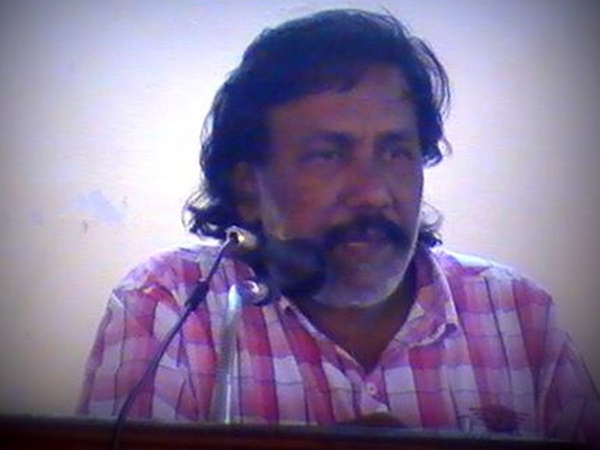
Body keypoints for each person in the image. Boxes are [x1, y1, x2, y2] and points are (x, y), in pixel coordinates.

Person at [77, 8, 599, 445]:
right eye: (327, 155)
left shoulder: (518, 314)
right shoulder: (170, 305)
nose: (372, 192)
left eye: (395, 152)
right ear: (247, 187)